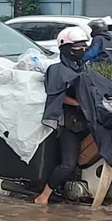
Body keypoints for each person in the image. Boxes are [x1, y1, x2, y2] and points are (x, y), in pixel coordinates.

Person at [35, 27, 91, 205]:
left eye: (84, 47)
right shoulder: (56, 70)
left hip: (88, 118)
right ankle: (44, 196)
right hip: (69, 123)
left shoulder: (84, 68)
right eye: (77, 47)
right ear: (66, 48)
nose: (81, 50)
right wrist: (77, 103)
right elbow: (56, 94)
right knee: (68, 164)